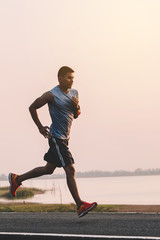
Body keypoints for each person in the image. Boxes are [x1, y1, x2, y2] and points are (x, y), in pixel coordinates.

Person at [8, 66, 97, 218]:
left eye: (73, 78)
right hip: (57, 139)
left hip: (65, 139)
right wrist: (40, 127)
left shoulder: (75, 93)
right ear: (60, 79)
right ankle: (80, 205)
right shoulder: (52, 95)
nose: (72, 80)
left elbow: (76, 115)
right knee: (70, 170)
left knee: (48, 169)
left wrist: (76, 107)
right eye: (69, 77)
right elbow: (32, 107)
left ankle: (17, 179)